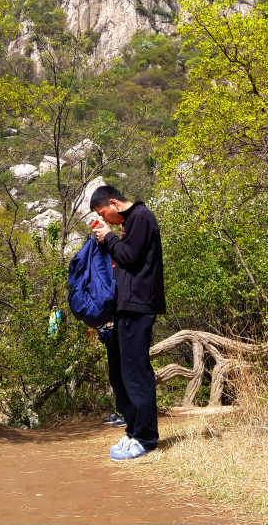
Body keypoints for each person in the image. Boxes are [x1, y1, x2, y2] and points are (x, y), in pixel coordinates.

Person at [91, 185, 165, 461]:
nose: (106, 219)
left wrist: (109, 237)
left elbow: (131, 257)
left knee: (135, 371)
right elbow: (127, 259)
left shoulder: (141, 217)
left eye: (103, 213)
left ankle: (146, 438)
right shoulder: (133, 222)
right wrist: (108, 243)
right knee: (122, 372)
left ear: (113, 202)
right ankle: (134, 432)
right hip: (126, 305)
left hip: (139, 305)